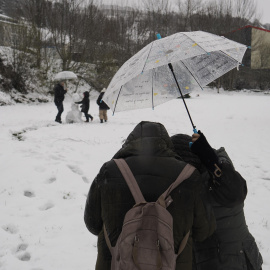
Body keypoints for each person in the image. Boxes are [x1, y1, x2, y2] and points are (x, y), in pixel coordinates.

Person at [84, 121, 216, 270]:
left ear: (129, 143)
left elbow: (92, 224)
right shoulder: (189, 176)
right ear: (167, 144)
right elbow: (204, 230)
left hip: (115, 263)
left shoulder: (110, 171)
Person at [171, 131, 263, 270]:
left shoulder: (217, 176)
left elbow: (236, 193)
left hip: (236, 261)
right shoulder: (208, 174)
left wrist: (212, 162)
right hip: (230, 260)